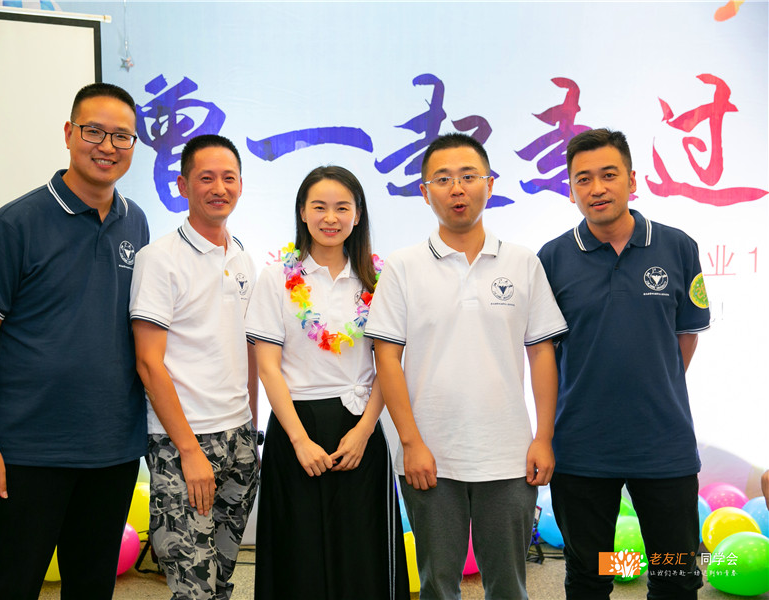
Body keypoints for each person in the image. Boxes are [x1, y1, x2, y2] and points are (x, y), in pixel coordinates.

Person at [0, 83, 149, 600]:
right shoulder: (14, 223)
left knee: (91, 588)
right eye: (94, 132)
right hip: (27, 450)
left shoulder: (136, 221)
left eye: (122, 136)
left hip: (111, 448)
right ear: (69, 133)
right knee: (10, 586)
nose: (107, 146)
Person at [366, 133, 567, 600]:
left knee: (509, 585)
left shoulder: (523, 262)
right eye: (443, 179)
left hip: (509, 455)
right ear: (425, 192)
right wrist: (411, 443)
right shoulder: (402, 266)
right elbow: (386, 358)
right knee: (438, 585)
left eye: (468, 176)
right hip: (430, 456)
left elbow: (542, 353)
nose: (457, 189)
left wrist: (543, 437)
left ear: (489, 185)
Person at [537, 128, 711, 599]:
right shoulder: (551, 258)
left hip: (664, 444)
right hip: (580, 447)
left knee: (675, 576)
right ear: (571, 190)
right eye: (583, 179)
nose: (597, 188)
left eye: (609, 175)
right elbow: (543, 353)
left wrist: (652, 385)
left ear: (632, 180)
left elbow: (686, 336)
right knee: (589, 577)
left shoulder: (678, 247)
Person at [245, 166, 410, 600]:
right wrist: (299, 441)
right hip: (295, 428)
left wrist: (364, 431)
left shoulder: (379, 279)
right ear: (302, 212)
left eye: (342, 207)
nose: (330, 218)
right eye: (319, 207)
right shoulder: (276, 278)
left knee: (361, 554)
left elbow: (387, 363)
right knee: (298, 555)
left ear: (358, 214)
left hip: (359, 426)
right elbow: (268, 368)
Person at [129, 134, 259, 600]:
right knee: (193, 587)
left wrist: (252, 429)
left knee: (221, 581)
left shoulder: (242, 257)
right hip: (182, 441)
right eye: (206, 178)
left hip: (238, 437)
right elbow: (148, 363)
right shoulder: (159, 259)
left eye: (229, 178)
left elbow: (247, 349)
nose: (219, 188)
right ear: (183, 186)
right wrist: (187, 450)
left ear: (241, 185)